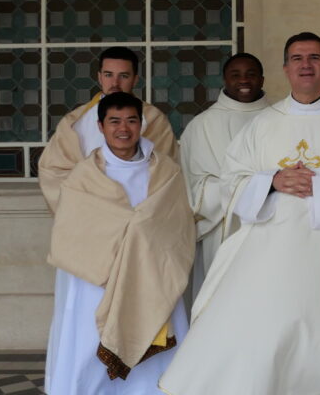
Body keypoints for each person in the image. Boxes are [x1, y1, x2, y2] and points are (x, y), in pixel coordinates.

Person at [159, 32, 320, 395]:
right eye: (297, 58)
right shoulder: (262, 124)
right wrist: (272, 180)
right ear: (285, 69)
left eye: (313, 58)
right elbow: (231, 181)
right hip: (266, 250)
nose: (305, 65)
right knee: (259, 330)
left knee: (317, 336)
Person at [43, 92, 194, 394]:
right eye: (114, 121)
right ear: (100, 126)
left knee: (156, 359)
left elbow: (179, 227)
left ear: (142, 124)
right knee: (89, 347)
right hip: (97, 280)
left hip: (154, 276)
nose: (123, 129)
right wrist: (122, 244)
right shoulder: (83, 177)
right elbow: (71, 234)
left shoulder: (165, 171)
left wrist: (142, 237)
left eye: (131, 120)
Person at [40, 46, 178, 210]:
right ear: (99, 77)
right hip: (91, 213)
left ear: (135, 79)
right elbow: (54, 172)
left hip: (140, 212)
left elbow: (168, 172)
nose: (115, 83)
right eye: (108, 75)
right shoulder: (74, 123)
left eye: (124, 76)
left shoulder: (155, 120)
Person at [179, 52, 269, 297]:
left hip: (271, 226)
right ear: (224, 79)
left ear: (262, 79)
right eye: (235, 75)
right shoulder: (202, 126)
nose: (244, 80)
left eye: (251, 74)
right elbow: (191, 185)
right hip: (221, 230)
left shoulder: (280, 119)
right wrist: (250, 189)